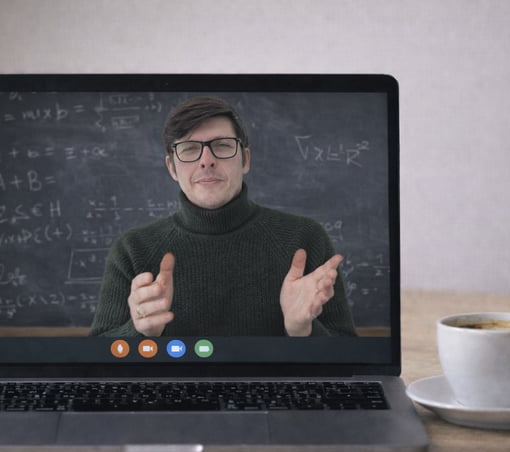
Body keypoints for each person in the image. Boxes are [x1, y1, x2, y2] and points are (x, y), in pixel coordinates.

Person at [89, 96, 356, 338]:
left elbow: (350, 360)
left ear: (245, 160)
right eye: (190, 148)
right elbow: (94, 363)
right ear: (171, 167)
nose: (207, 160)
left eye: (222, 145)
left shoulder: (305, 238)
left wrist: (302, 330)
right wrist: (139, 332)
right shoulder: (133, 249)